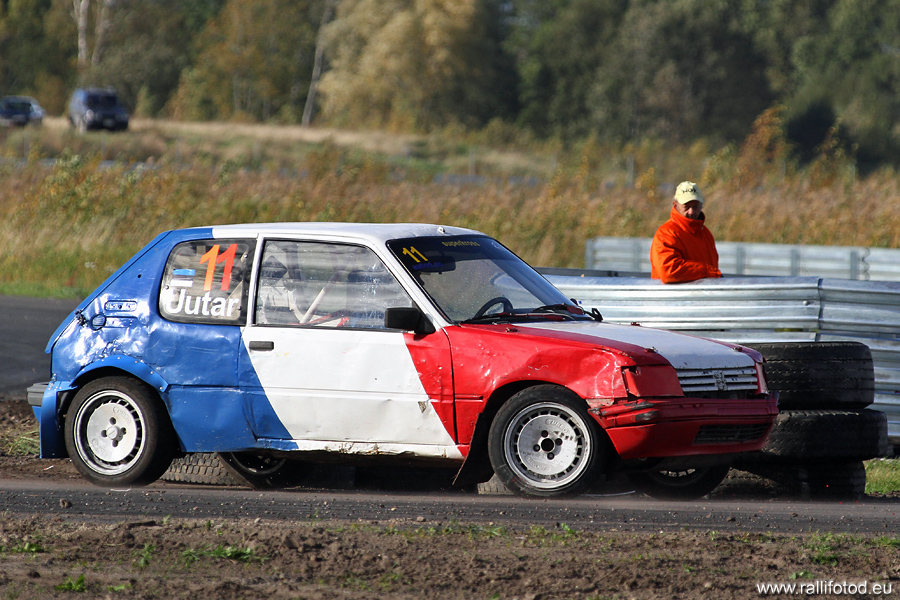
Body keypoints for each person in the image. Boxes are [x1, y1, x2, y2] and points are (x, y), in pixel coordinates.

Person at [650, 181, 722, 283]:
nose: (691, 211)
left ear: (701, 206)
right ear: (675, 204)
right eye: (686, 206)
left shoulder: (706, 233)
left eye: (695, 206)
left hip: (702, 292)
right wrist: (707, 271)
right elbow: (669, 271)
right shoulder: (666, 234)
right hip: (675, 294)